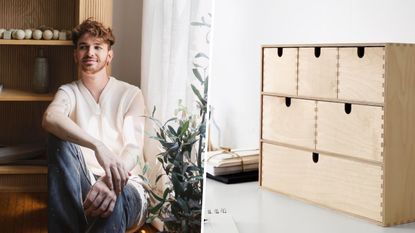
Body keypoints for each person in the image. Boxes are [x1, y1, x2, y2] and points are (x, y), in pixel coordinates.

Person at [42, 18, 148, 233]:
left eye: (97, 47)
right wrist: (97, 145)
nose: (90, 52)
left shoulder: (131, 94)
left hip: (130, 186)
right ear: (75, 55)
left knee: (111, 201)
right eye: (83, 47)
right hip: (84, 185)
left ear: (109, 56)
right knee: (57, 137)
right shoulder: (68, 91)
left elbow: (134, 150)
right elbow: (50, 117)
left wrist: (110, 182)